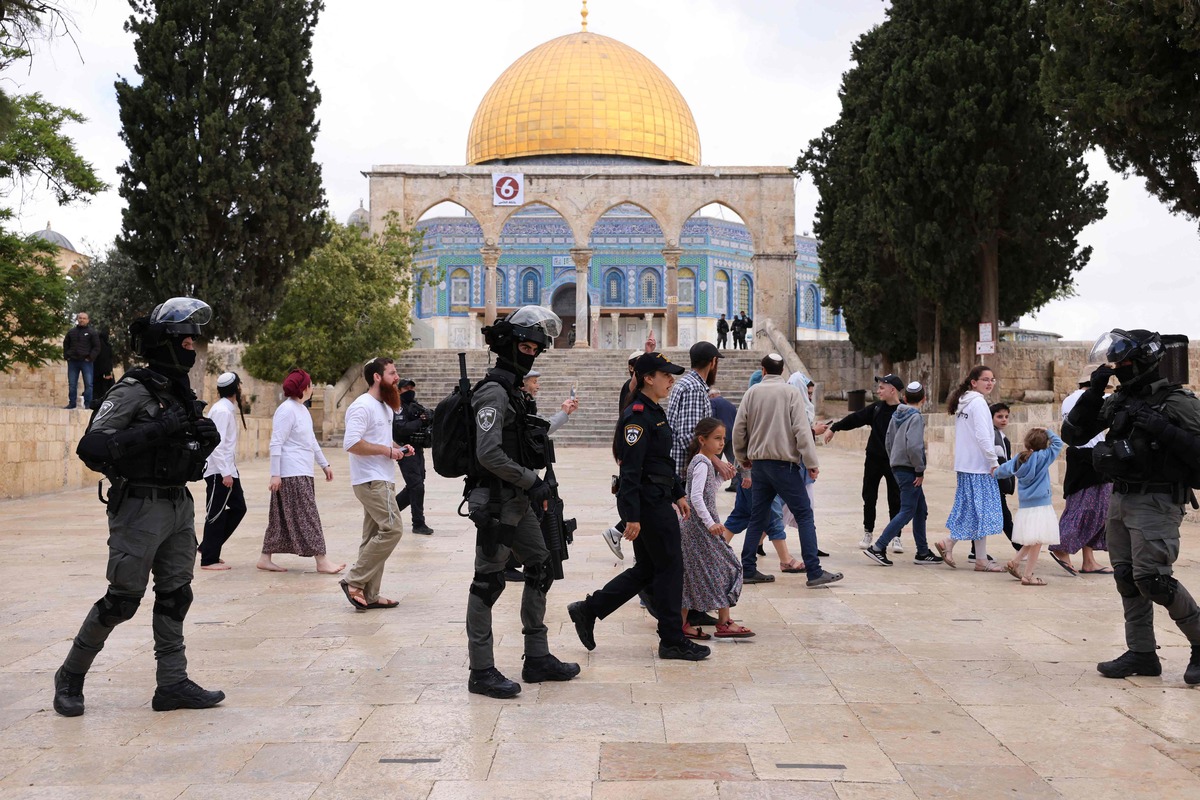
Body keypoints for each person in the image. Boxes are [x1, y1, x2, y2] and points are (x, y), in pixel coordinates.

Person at [55, 297, 224, 716]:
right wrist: (156, 430)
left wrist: (203, 438)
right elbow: (91, 446)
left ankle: (172, 683)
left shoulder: (179, 392)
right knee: (122, 601)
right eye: (186, 341)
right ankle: (71, 675)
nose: (192, 347)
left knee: (175, 595)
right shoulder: (132, 390)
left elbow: (184, 448)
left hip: (177, 505)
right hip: (139, 508)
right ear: (166, 343)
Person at [1063, 329, 1200, 684]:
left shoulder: (1177, 402)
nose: (1118, 368)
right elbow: (1074, 434)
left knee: (1153, 579)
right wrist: (1094, 392)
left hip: (1158, 499)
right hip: (1121, 496)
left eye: (1123, 362)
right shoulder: (1120, 400)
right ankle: (1141, 653)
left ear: (1143, 362)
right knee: (1126, 576)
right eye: (1116, 362)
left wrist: (1164, 430)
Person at [465, 306, 581, 698]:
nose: (532, 353)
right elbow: (488, 454)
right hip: (497, 501)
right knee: (488, 583)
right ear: (510, 347)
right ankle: (481, 670)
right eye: (527, 346)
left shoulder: (513, 390)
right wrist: (532, 481)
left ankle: (537, 658)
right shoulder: (494, 392)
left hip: (519, 499)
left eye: (537, 348)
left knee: (542, 565)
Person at [568, 351, 711, 661]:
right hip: (648, 504)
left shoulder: (654, 412)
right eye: (666, 375)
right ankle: (672, 639)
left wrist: (677, 493)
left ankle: (589, 609)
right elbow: (630, 471)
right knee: (671, 567)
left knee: (648, 569)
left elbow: (661, 462)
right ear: (649, 378)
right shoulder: (637, 416)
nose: (671, 380)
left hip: (659, 498)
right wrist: (632, 516)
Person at [734, 352, 843, 587]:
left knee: (758, 516)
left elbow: (739, 429)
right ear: (782, 371)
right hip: (785, 465)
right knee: (804, 514)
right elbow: (802, 431)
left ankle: (748, 568)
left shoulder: (751, 393)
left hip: (760, 465)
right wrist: (812, 463)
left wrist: (743, 458)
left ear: (763, 370)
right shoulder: (791, 393)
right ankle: (814, 571)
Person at [338, 357, 410, 611]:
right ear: (377, 377)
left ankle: (369, 594)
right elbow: (352, 443)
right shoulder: (362, 406)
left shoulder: (385, 407)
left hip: (383, 477)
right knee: (392, 529)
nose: (397, 376)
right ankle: (353, 580)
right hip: (371, 480)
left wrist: (399, 449)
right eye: (392, 373)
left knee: (371, 537)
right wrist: (386, 452)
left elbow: (381, 441)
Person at [259, 369, 344, 575]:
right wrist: (275, 474)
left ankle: (264, 558)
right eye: (311, 384)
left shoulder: (302, 410)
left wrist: (325, 464)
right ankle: (322, 560)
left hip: (303, 471)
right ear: (304, 388)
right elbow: (276, 442)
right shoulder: (286, 410)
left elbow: (311, 441)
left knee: (279, 517)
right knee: (309, 516)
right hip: (291, 473)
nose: (313, 387)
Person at [680, 417, 752, 640]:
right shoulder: (701, 463)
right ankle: (722, 622)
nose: (722, 443)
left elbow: (707, 491)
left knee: (693, 574)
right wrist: (711, 523)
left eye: (723, 439)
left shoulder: (704, 463)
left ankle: (710, 621)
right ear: (702, 440)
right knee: (728, 567)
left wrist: (722, 476)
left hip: (697, 528)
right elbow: (695, 498)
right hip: (700, 529)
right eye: (717, 438)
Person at [863, 382, 943, 566]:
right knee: (907, 510)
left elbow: (888, 441)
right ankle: (878, 547)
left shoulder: (896, 414)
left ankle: (922, 552)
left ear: (905, 398)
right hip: (910, 470)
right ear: (924, 399)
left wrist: (894, 462)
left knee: (920, 510)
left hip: (899, 467)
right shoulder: (915, 418)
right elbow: (914, 446)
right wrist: (919, 469)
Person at [936, 365, 1005, 571]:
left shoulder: (963, 402)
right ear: (974, 382)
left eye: (992, 379)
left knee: (975, 511)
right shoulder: (978, 403)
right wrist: (994, 462)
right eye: (985, 379)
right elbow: (984, 436)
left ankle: (980, 559)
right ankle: (949, 542)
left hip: (966, 465)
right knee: (979, 512)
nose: (990, 383)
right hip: (979, 466)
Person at [825, 374, 904, 552]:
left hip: (895, 463)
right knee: (869, 497)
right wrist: (834, 428)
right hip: (874, 460)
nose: (878, 391)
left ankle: (896, 536)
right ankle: (868, 531)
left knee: (896, 499)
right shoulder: (876, 408)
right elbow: (855, 419)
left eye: (882, 388)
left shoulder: (904, 411)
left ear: (893, 390)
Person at [1049, 372, 1112, 575]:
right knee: (1089, 508)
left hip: (1079, 455)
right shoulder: (1088, 398)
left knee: (1087, 507)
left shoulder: (1069, 399)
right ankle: (1062, 547)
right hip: (1090, 457)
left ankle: (1089, 560)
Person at [996, 428, 1064, 586]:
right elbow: (1058, 443)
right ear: (1044, 444)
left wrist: (994, 472)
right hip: (1041, 504)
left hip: (1026, 505)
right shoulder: (1044, 456)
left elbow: (1003, 470)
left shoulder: (1020, 458)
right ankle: (1028, 575)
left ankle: (1015, 561)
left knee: (1033, 538)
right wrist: (1047, 431)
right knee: (1038, 540)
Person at [198, 372, 248, 571]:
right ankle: (208, 558)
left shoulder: (226, 409)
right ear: (235, 388)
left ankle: (209, 546)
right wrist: (226, 472)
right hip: (219, 471)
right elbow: (216, 445)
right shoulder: (222, 411)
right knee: (216, 512)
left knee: (239, 507)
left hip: (227, 469)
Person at [667, 341, 733, 484]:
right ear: (713, 362)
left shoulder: (685, 383)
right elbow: (689, 436)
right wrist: (717, 462)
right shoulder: (694, 388)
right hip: (686, 473)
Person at [393, 378, 434, 536]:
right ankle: (418, 523)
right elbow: (402, 429)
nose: (409, 390)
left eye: (411, 387)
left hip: (417, 449)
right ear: (399, 390)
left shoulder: (415, 406)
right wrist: (419, 421)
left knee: (415, 486)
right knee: (416, 486)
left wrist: (428, 418)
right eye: (406, 388)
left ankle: (389, 512)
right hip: (404, 449)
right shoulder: (398, 407)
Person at [63, 311, 100, 409]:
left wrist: (90, 357)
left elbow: (96, 347)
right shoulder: (71, 332)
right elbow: (66, 344)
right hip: (73, 362)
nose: (82, 320)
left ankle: (88, 404)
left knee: (88, 384)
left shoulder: (92, 333)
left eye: (84, 318)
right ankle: (72, 403)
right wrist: (67, 356)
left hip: (86, 362)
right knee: (72, 384)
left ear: (88, 320)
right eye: (80, 318)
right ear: (77, 319)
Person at [708, 388, 739, 491]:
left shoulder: (713, 402)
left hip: (719, 436)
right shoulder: (730, 405)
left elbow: (712, 419)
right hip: (731, 435)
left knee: (715, 461)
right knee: (732, 460)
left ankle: (711, 484)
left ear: (712, 395)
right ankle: (736, 483)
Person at [92, 328, 116, 401]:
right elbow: (106, 360)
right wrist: (108, 372)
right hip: (105, 373)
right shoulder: (106, 346)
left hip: (96, 372)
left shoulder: (96, 346)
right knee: (105, 389)